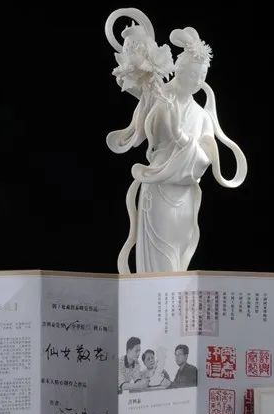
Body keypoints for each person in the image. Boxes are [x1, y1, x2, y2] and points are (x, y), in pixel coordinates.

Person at [106, 14, 247, 273]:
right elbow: (145, 114)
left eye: (201, 75)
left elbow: (204, 160)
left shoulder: (201, 116)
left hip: (184, 194)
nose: (197, 80)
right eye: (192, 73)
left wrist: (181, 137)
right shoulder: (159, 98)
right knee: (158, 261)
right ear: (179, 70)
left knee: (179, 257)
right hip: (158, 185)